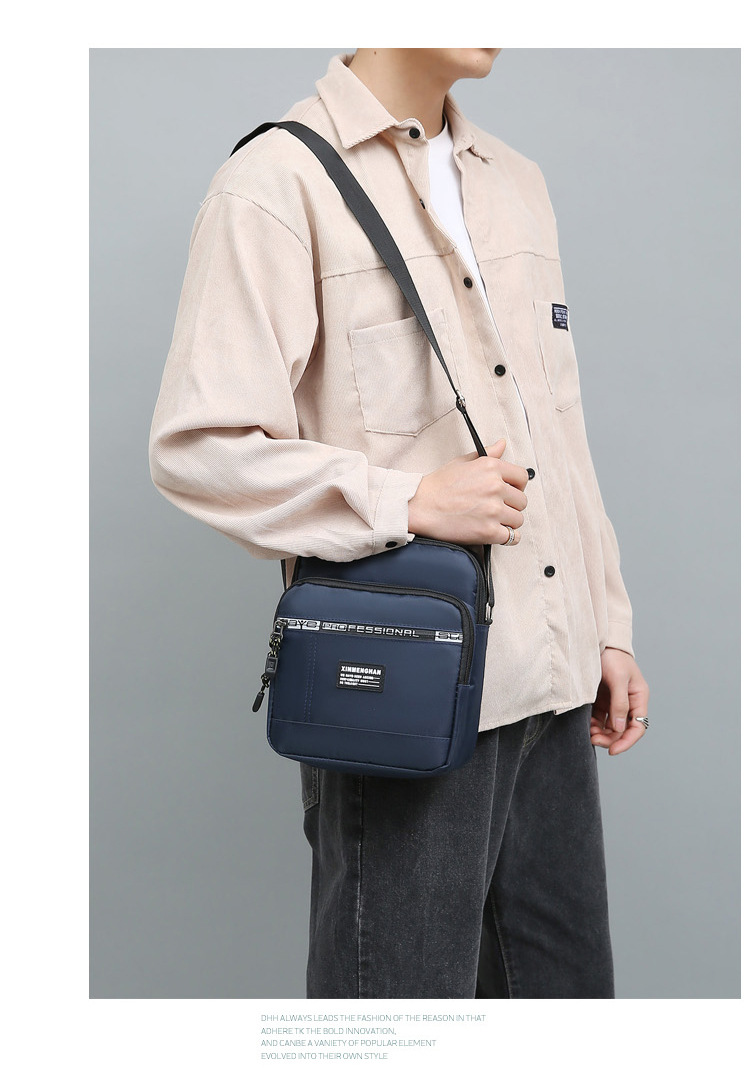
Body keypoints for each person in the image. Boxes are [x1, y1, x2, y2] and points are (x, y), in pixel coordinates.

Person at [149, 49, 650, 999]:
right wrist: (406, 500)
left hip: (553, 680)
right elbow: (197, 445)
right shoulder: (277, 181)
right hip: (406, 694)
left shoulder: (518, 186)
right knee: (397, 1029)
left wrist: (608, 622)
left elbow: (559, 428)